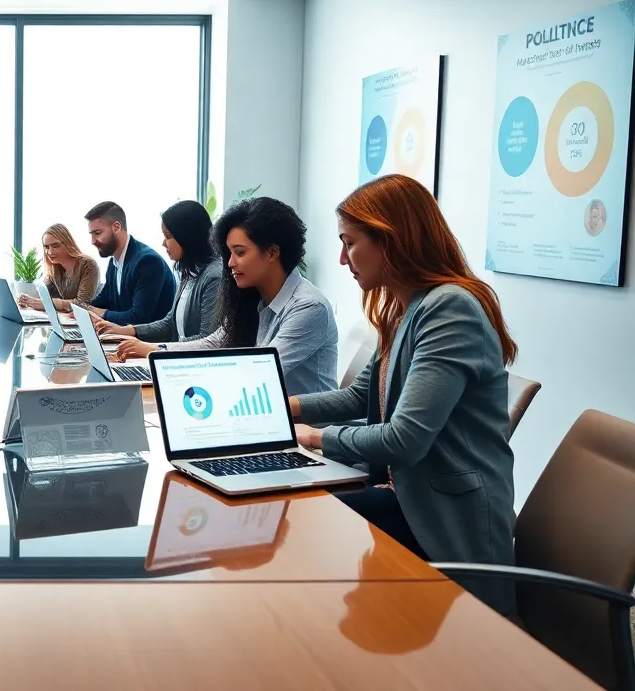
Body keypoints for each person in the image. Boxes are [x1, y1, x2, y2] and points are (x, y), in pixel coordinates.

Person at [288, 173, 517, 615]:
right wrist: (281, 410)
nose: (341, 259)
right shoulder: (406, 307)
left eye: (349, 242)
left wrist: (312, 437)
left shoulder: (449, 308)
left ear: (390, 240)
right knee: (296, 516)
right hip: (408, 496)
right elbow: (360, 396)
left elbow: (403, 439)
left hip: (446, 517)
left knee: (306, 526)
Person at [112, 197, 337, 396]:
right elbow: (216, 341)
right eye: (229, 253)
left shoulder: (308, 307)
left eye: (240, 253)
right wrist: (157, 351)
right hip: (262, 415)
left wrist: (172, 370)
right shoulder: (253, 296)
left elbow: (259, 369)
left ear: (272, 252)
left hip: (308, 433)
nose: (230, 263)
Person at [93, 200, 222, 344]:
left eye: (168, 236)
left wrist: (154, 349)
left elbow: (206, 341)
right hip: (173, 358)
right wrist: (128, 330)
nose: (163, 243)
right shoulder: (189, 272)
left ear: (186, 237)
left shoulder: (214, 276)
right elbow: (169, 324)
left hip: (187, 362)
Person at [81, 201, 176, 325]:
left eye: (97, 233)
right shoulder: (113, 262)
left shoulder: (147, 262)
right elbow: (103, 300)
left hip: (149, 342)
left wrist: (100, 313)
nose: (93, 241)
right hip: (123, 337)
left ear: (116, 227)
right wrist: (81, 311)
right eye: (91, 234)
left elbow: (138, 318)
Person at [16, 223, 99, 313]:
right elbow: (43, 293)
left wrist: (47, 304)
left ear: (68, 243)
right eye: (46, 247)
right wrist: (27, 300)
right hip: (67, 319)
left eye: (55, 246)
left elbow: (83, 304)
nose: (50, 252)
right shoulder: (55, 266)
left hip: (90, 322)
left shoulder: (88, 264)